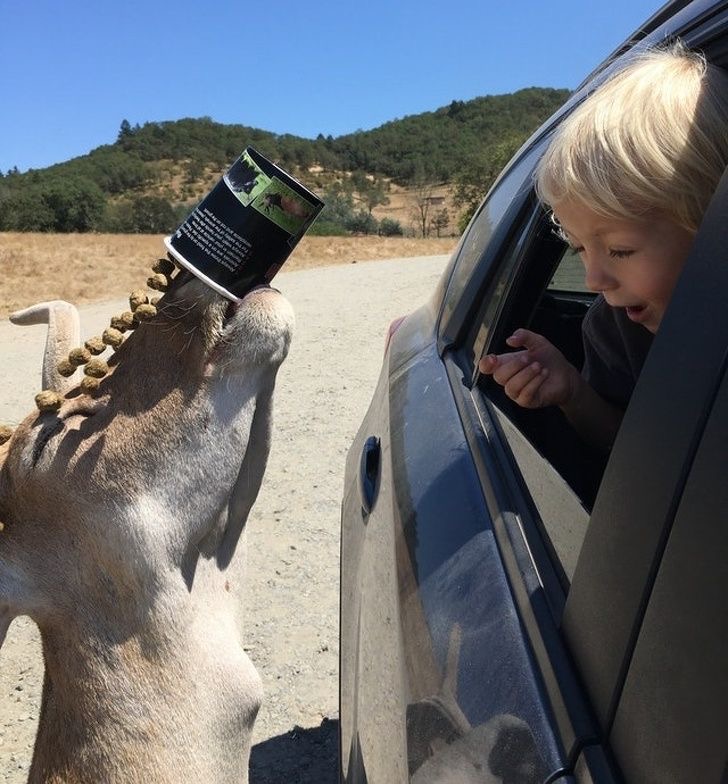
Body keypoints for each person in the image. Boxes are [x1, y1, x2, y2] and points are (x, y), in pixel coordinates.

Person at [479, 42, 728, 451]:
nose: (594, 280)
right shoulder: (613, 331)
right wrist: (574, 393)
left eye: (621, 250)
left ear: (714, 226)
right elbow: (629, 452)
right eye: (578, 249)